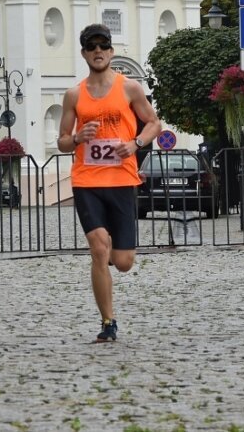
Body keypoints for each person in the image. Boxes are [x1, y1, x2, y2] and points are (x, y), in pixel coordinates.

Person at [58, 23, 161, 343]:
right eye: (92, 47)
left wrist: (136, 144)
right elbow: (61, 141)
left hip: (121, 179)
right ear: (84, 53)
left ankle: (118, 260)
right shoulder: (74, 94)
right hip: (87, 180)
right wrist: (76, 138)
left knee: (124, 261)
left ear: (111, 51)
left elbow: (154, 124)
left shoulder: (129, 88)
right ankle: (108, 321)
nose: (98, 51)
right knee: (99, 247)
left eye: (103, 46)